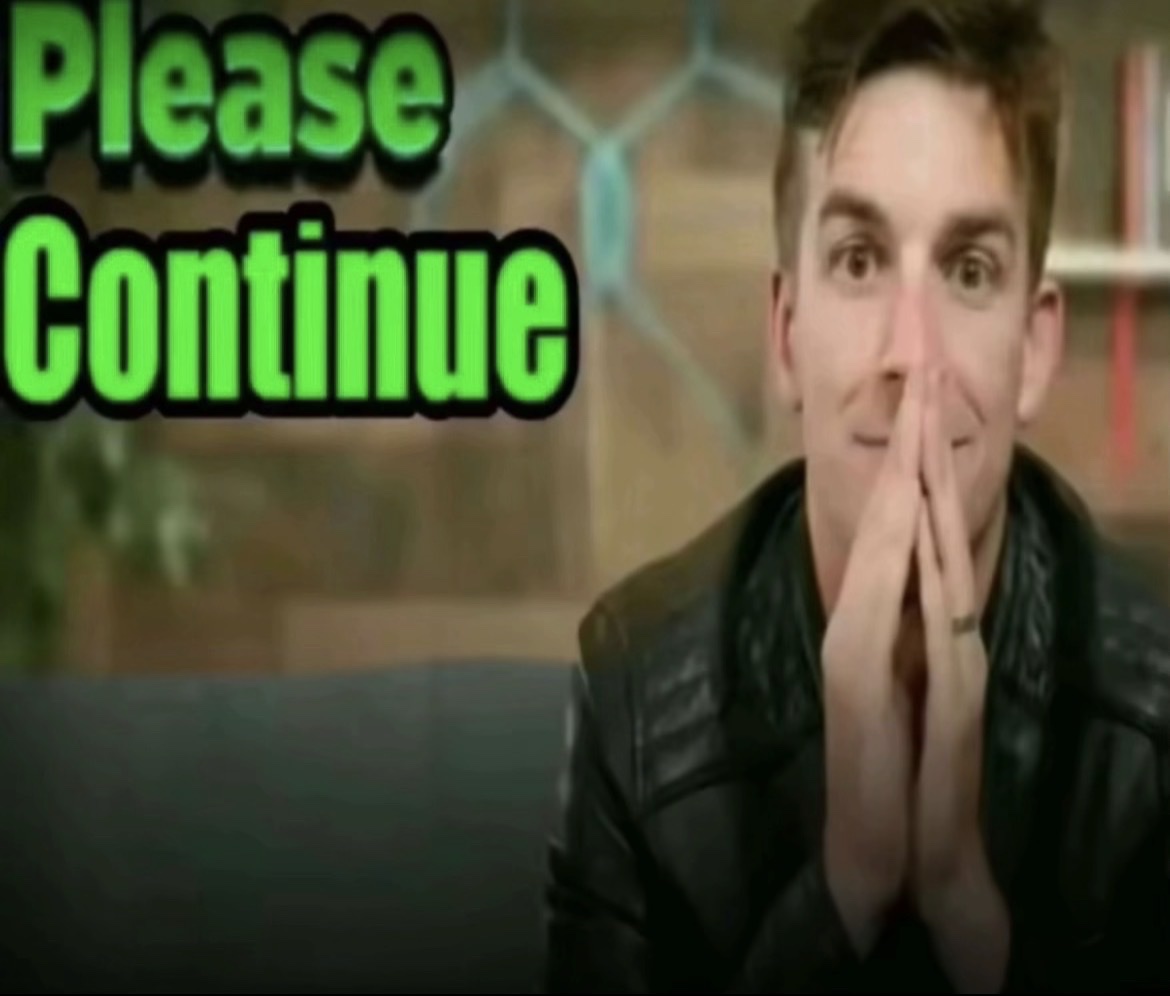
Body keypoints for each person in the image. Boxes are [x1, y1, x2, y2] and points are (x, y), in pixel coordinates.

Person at [539, 0, 1170, 992]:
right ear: (787, 334)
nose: (910, 354)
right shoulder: (635, 702)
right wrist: (843, 894)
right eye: (859, 260)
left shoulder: (1159, 702)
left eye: (969, 269)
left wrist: (969, 920)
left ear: (1035, 346)